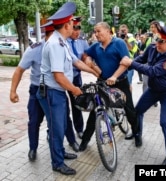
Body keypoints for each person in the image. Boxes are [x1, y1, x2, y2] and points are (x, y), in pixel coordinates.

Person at [36, 2, 100, 175]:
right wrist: (74, 89)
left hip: (58, 91)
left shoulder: (62, 42)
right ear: (66, 25)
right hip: (51, 93)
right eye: (73, 24)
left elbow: (77, 62)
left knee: (63, 123)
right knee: (57, 128)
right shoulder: (55, 44)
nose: (75, 26)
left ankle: (61, 152)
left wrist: (96, 73)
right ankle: (57, 162)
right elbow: (58, 76)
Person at [120, 26, 166, 165]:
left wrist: (130, 63)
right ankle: (138, 134)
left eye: (161, 42)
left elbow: (153, 71)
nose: (157, 44)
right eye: (157, 40)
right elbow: (142, 59)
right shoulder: (153, 48)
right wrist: (125, 66)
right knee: (137, 111)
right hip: (153, 89)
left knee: (165, 122)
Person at [79, 22, 141, 151]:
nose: (96, 34)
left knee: (129, 109)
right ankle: (85, 141)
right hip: (102, 82)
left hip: (120, 81)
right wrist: (88, 59)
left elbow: (125, 62)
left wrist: (114, 76)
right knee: (95, 111)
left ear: (108, 31)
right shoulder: (96, 46)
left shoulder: (119, 43)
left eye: (98, 31)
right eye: (95, 32)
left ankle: (137, 133)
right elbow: (85, 54)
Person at [9, 21, 54, 161]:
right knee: (34, 121)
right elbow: (19, 70)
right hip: (37, 89)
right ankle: (33, 148)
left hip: (55, 89)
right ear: (49, 34)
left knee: (56, 120)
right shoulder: (34, 49)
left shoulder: (63, 45)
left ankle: (53, 142)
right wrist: (13, 91)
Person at [67, 16, 89, 139]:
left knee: (77, 103)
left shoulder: (82, 41)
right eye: (74, 28)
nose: (76, 31)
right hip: (61, 77)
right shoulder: (62, 41)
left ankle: (79, 129)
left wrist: (88, 59)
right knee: (61, 106)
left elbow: (87, 55)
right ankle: (52, 132)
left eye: (78, 28)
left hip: (76, 76)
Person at [118, 24, 139, 92]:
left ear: (127, 30)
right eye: (122, 30)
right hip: (118, 63)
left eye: (124, 30)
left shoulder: (131, 39)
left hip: (128, 64)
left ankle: (129, 100)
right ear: (119, 31)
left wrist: (126, 40)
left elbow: (130, 48)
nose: (123, 32)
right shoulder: (116, 39)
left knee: (128, 83)